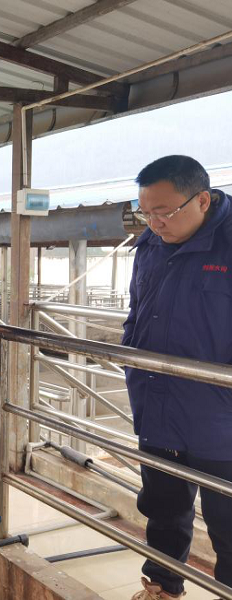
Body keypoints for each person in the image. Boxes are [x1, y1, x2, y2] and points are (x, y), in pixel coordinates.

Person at [124, 155, 232, 600]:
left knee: (229, 524)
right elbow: (137, 311)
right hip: (159, 404)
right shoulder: (151, 243)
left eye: (164, 212)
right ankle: (162, 588)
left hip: (221, 419)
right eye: (145, 213)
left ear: (202, 200)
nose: (154, 223)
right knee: (163, 509)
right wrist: (131, 358)